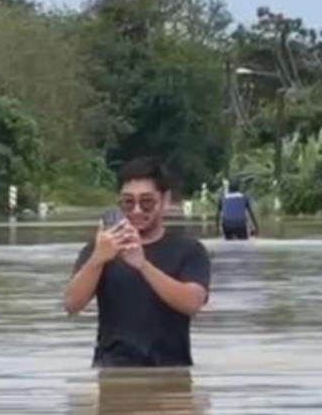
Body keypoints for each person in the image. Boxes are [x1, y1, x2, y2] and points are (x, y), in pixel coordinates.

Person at [63, 156, 212, 368]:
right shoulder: (101, 247)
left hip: (172, 372)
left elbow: (192, 303)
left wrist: (143, 265)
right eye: (128, 202)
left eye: (147, 202)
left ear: (165, 200)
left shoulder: (189, 250)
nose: (137, 211)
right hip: (113, 371)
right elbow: (71, 305)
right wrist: (97, 259)